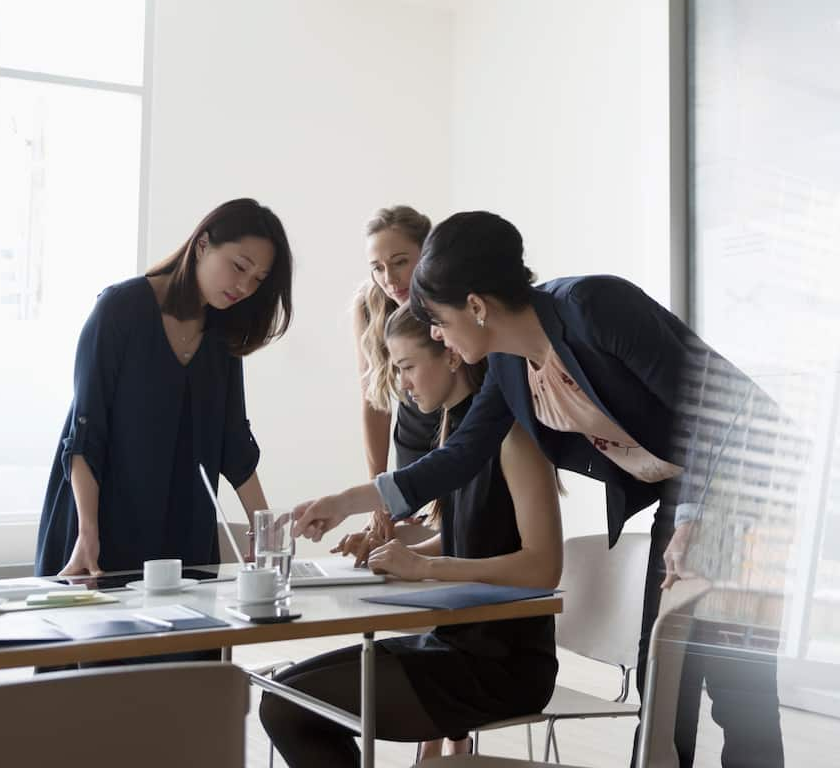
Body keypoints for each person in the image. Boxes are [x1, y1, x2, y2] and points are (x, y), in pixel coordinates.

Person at [295, 211, 787, 767]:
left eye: (439, 320)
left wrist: (698, 517)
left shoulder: (596, 308)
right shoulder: (509, 363)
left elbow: (718, 411)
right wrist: (348, 501)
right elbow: (459, 456)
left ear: (476, 306)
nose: (437, 335)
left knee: (733, 683)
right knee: (665, 680)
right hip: (688, 490)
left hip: (748, 476)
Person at [267, 307, 562, 766]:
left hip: (502, 667)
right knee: (283, 697)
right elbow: (468, 538)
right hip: (456, 646)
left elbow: (543, 567)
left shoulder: (512, 437)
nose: (401, 384)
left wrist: (425, 568)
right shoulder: (455, 431)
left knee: (287, 707)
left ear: (449, 356)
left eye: (406, 367)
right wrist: (400, 552)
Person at [35, 197, 293, 576]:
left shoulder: (223, 334)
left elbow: (233, 441)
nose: (244, 286)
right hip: (101, 530)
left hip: (183, 534)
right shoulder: (120, 309)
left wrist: (264, 530)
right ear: (203, 244)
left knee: (192, 634)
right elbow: (84, 436)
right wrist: (88, 532)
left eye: (257, 280)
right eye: (239, 266)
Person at [352, 205, 441, 543]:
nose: (389, 279)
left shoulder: (452, 301)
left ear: (427, 252)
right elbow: (374, 404)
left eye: (401, 262)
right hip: (412, 440)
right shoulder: (368, 305)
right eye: (377, 268)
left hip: (460, 434)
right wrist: (380, 498)